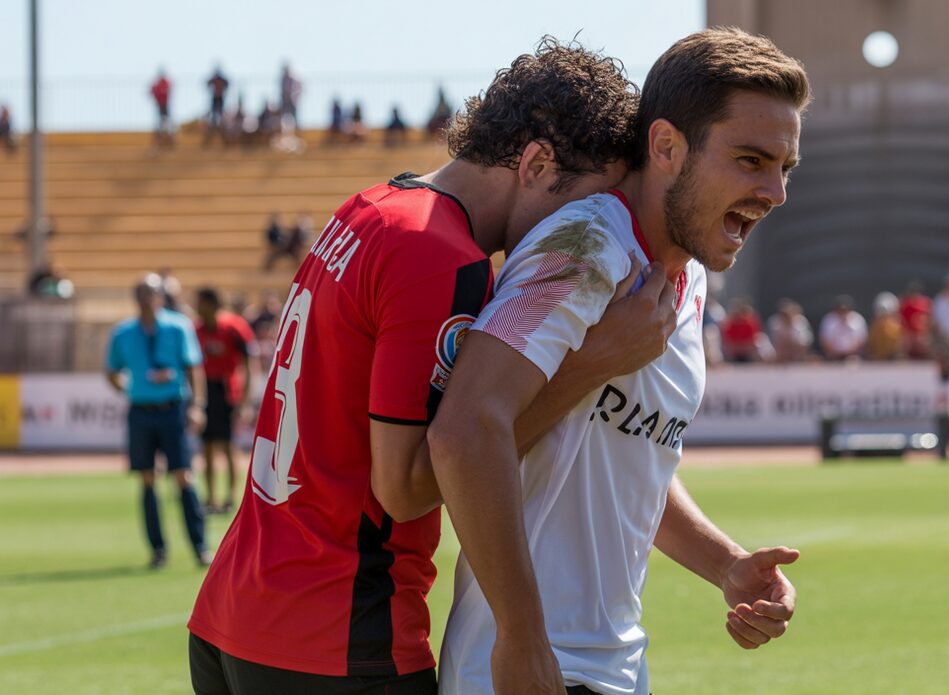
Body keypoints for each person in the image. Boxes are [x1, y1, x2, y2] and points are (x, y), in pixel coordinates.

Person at [188, 38, 671, 695]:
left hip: (231, 614)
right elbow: (408, 485)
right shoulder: (442, 256)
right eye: (585, 202)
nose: (585, 229)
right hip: (339, 635)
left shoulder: (372, 206)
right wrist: (593, 363)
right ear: (535, 163)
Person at [431, 27, 809, 695]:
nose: (775, 190)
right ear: (665, 146)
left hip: (614, 667)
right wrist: (522, 640)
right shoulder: (588, 247)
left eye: (785, 167)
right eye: (751, 159)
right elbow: (463, 431)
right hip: (525, 669)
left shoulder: (684, 278)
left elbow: (626, 459)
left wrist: (726, 564)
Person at [105, 274, 209, 569]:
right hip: (140, 410)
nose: (146, 299)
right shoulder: (123, 333)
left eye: (151, 293)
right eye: (141, 293)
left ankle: (200, 547)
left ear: (160, 297)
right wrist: (130, 388)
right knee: (147, 479)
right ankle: (158, 550)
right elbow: (112, 370)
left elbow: (194, 368)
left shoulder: (178, 327)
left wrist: (197, 405)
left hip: (172, 409)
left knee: (183, 476)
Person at [194, 287, 255, 515]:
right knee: (207, 447)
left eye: (200, 302)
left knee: (229, 446)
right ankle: (210, 498)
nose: (197, 307)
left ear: (210, 303)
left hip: (228, 391)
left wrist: (246, 400)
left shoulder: (234, 327)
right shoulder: (196, 329)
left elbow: (249, 362)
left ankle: (231, 497)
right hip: (205, 391)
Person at [819, 295, 868, 361]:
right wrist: (836, 354)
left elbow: (861, 342)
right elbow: (825, 342)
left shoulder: (858, 320)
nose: (843, 313)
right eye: (840, 310)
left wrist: (850, 354)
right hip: (833, 357)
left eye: (845, 310)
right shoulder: (829, 320)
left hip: (854, 357)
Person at [721, 298, 770, 362]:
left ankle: (764, 361)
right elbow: (728, 339)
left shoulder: (750, 322)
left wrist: (744, 347)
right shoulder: (731, 323)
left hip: (748, 348)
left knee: (762, 338)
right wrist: (738, 347)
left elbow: (752, 339)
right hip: (735, 349)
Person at [867, 291, 905, 360]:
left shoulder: (897, 326)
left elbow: (900, 344)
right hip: (879, 359)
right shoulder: (875, 326)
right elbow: (872, 343)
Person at [900, 281, 933, 359]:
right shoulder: (906, 304)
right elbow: (903, 319)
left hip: (923, 333)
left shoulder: (925, 302)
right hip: (910, 334)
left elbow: (929, 318)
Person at [204, 65, 230, 147]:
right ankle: (208, 141)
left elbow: (227, 83)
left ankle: (225, 140)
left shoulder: (222, 79)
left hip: (220, 100)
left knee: (222, 119)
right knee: (212, 119)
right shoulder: (214, 79)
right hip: (215, 100)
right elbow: (207, 83)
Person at [150, 68, 173, 148]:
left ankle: (168, 138)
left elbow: (166, 90)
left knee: (166, 121)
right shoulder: (158, 83)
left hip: (165, 104)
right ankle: (160, 138)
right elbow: (152, 91)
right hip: (160, 105)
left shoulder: (165, 82)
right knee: (162, 121)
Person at [280, 62, 302, 134]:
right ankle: (283, 130)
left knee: (294, 115)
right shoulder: (282, 78)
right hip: (285, 99)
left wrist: (293, 96)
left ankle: (297, 129)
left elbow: (298, 89)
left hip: (292, 100)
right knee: (283, 115)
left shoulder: (294, 78)